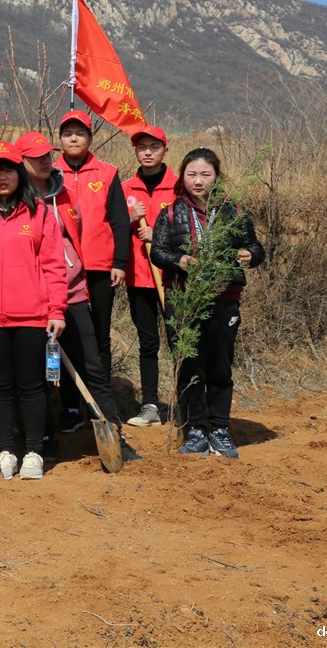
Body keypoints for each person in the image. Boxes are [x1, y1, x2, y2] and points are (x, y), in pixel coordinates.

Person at [18, 131, 141, 463]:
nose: (45, 161)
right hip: (31, 300)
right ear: (22, 162)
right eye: (36, 157)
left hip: (72, 292)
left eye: (47, 155)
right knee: (37, 372)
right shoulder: (16, 201)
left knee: (93, 367)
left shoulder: (65, 194)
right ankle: (42, 440)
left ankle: (115, 434)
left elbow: (78, 239)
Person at [150, 148, 265, 459]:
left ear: (216, 176)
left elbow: (255, 245)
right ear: (182, 177)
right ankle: (195, 429)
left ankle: (220, 428)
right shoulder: (171, 212)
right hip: (183, 299)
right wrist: (178, 259)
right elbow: (157, 252)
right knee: (188, 365)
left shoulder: (234, 211)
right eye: (191, 174)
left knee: (219, 364)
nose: (198, 181)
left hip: (225, 299)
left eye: (205, 174)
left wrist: (250, 255)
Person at [0, 142, 67, 481]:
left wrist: (56, 310)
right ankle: (4, 450)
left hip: (31, 315)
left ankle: (33, 451)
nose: (2, 176)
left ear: (19, 174)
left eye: (8, 169)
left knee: (32, 385)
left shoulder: (39, 213)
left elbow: (54, 265)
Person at [52, 110, 129, 434]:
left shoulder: (108, 173)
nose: (73, 138)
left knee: (98, 338)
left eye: (80, 133)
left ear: (90, 138)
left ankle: (101, 406)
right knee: (69, 338)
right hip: (65, 270)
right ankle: (71, 405)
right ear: (60, 139)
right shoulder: (50, 173)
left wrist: (119, 263)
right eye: (67, 133)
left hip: (99, 267)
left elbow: (119, 220)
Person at [120, 126, 179, 428]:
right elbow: (110, 230)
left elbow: (191, 233)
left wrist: (158, 235)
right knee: (148, 342)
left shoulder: (179, 187)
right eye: (141, 147)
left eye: (153, 147)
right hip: (138, 277)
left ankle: (185, 403)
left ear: (164, 150)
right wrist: (127, 219)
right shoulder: (126, 188)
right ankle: (150, 406)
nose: (147, 152)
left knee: (179, 340)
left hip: (172, 278)